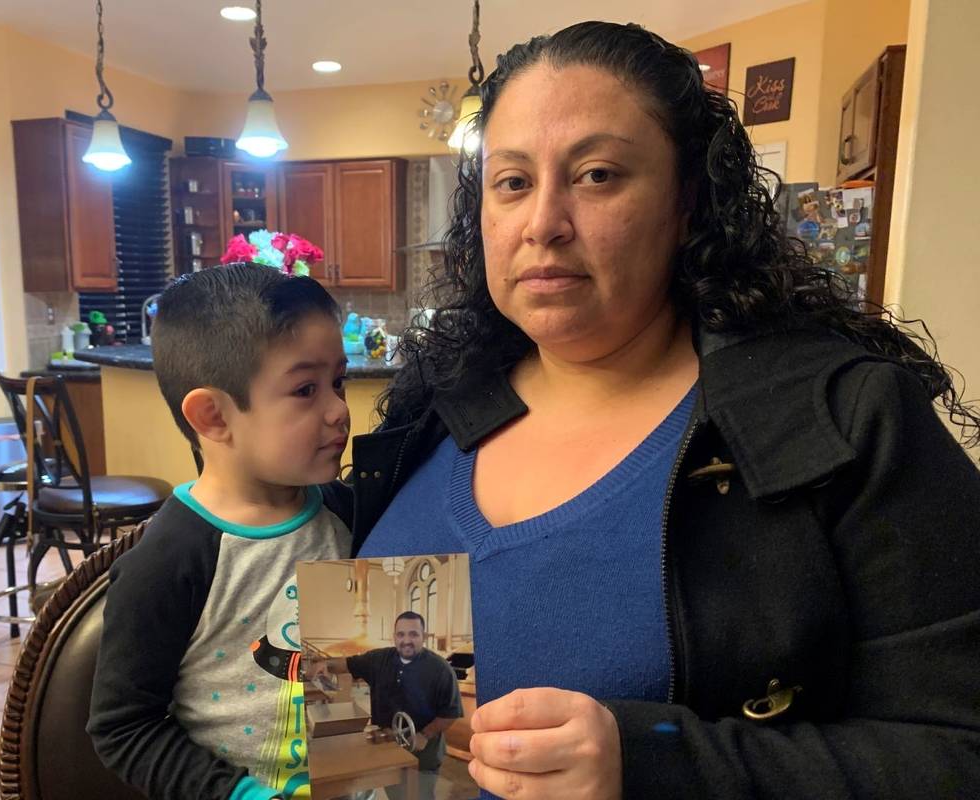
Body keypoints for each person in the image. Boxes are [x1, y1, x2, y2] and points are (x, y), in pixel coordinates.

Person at [349, 20, 980, 800]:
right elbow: (382, 748)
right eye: (512, 182)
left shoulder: (846, 419)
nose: (543, 222)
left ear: (687, 201)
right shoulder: (434, 407)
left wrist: (652, 763)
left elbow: (956, 754)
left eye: (598, 174)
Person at [88, 264, 354, 800]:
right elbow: (122, 727)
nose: (339, 410)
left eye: (338, 382)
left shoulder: (350, 513)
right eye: (307, 389)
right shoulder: (169, 561)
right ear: (213, 416)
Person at [309, 611, 463, 800]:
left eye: (413, 634)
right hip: (386, 747)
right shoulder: (379, 659)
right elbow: (348, 664)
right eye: (401, 634)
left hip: (422, 754)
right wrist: (326, 664)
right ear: (394, 637)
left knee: (418, 795)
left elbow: (450, 713)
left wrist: (425, 734)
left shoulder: (440, 669)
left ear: (423, 636)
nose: (406, 640)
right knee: (396, 794)